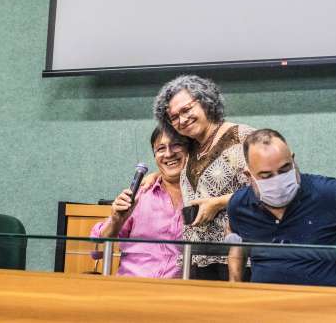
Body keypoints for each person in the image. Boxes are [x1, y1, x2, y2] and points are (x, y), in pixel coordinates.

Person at [227, 129, 336, 286]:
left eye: (285, 169)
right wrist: (235, 285)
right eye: (266, 176)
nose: (278, 180)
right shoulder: (239, 205)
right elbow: (236, 242)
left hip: (327, 301)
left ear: (293, 160)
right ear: (249, 175)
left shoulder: (330, 192)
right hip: (266, 301)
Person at [153, 75, 254, 280]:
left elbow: (270, 190)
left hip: (238, 257)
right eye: (174, 117)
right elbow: (171, 170)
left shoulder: (243, 137)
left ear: (206, 101)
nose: (182, 120)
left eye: (186, 110)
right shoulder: (189, 148)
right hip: (195, 257)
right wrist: (152, 177)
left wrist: (218, 203)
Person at [91, 126, 189, 278]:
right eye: (161, 148)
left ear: (190, 150)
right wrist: (116, 221)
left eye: (176, 145)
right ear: (155, 156)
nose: (169, 153)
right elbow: (96, 251)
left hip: (180, 289)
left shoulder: (204, 195)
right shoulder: (140, 195)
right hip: (133, 285)